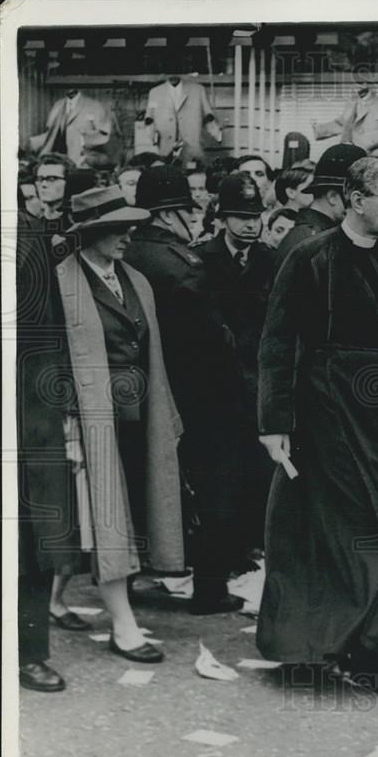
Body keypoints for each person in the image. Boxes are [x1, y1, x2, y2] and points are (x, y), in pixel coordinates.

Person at [256, 157, 378, 696]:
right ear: (353, 198)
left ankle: (363, 649)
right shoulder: (309, 258)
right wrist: (273, 423)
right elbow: (277, 344)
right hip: (322, 412)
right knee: (320, 536)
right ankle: (313, 652)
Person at [54, 185, 186, 663]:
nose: (129, 234)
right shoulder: (60, 283)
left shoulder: (135, 279)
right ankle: (123, 626)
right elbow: (47, 362)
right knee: (106, 518)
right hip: (87, 422)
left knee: (104, 515)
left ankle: (52, 598)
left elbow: (151, 350)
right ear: (91, 232)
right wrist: (67, 422)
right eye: (118, 227)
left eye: (130, 225)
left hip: (136, 418)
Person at [124, 165, 247, 614]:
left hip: (138, 390)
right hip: (198, 396)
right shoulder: (184, 264)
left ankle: (134, 575)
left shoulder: (126, 252)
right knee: (217, 485)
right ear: (171, 212)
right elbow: (215, 340)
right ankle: (210, 588)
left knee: (137, 480)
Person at [193, 172, 277, 558]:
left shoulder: (271, 261)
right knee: (219, 475)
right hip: (216, 389)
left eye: (255, 215)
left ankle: (252, 548)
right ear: (222, 218)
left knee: (259, 472)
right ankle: (223, 554)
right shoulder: (201, 259)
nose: (250, 223)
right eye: (240, 216)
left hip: (259, 385)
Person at [17, 197, 78, 691]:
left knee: (32, 533)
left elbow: (49, 333)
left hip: (25, 411)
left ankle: (28, 650)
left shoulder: (30, 235)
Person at [276, 144, 367, 264]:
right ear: (333, 197)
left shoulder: (312, 236)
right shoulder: (316, 242)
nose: (362, 206)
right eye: (357, 198)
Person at [34, 152, 74, 222]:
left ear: (68, 182)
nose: (44, 184)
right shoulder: (33, 226)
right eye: (40, 179)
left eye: (51, 179)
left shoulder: (75, 225)